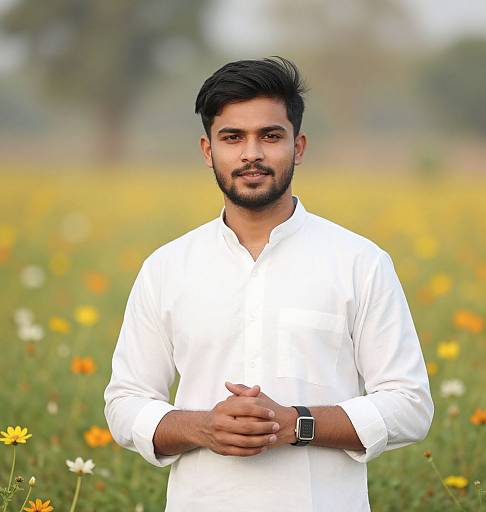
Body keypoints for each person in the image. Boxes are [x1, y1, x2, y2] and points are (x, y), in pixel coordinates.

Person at [104, 56, 434, 512]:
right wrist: (204, 427)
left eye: (270, 136)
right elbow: (125, 403)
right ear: (207, 150)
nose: (251, 153)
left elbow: (410, 404)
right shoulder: (167, 267)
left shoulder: (360, 262)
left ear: (298, 147)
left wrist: (294, 424)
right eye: (233, 137)